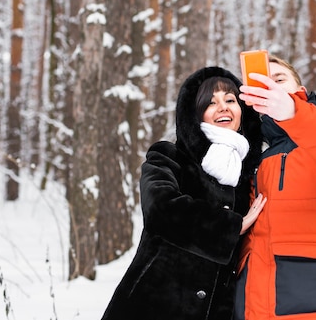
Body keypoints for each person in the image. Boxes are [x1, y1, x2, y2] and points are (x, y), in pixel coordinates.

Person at [102, 66, 267, 320]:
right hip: (152, 305)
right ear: (195, 114)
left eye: (230, 100)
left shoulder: (249, 175)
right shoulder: (169, 157)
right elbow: (160, 208)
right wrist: (230, 226)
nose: (223, 107)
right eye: (211, 103)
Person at [234, 56, 316, 320]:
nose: (270, 86)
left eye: (279, 79)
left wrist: (292, 113)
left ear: (300, 89)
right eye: (260, 83)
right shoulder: (255, 156)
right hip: (255, 304)